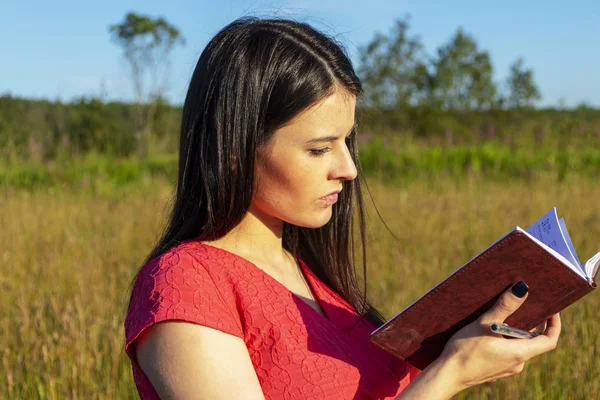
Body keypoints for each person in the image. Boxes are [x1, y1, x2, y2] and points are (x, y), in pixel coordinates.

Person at [123, 16, 561, 399]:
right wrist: (451, 373)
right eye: (318, 149)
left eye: (346, 142)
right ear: (235, 149)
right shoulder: (187, 285)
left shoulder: (310, 274)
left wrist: (459, 349)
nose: (349, 169)